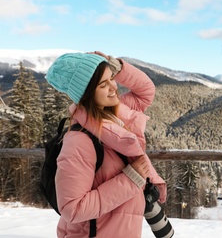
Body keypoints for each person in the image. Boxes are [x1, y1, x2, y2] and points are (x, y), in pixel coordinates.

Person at [45, 51, 167, 238]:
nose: (113, 87)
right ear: (87, 93)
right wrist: (130, 179)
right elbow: (72, 208)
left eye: (112, 78)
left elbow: (146, 93)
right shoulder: (79, 141)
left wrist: (118, 67)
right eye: (103, 84)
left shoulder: (114, 114)